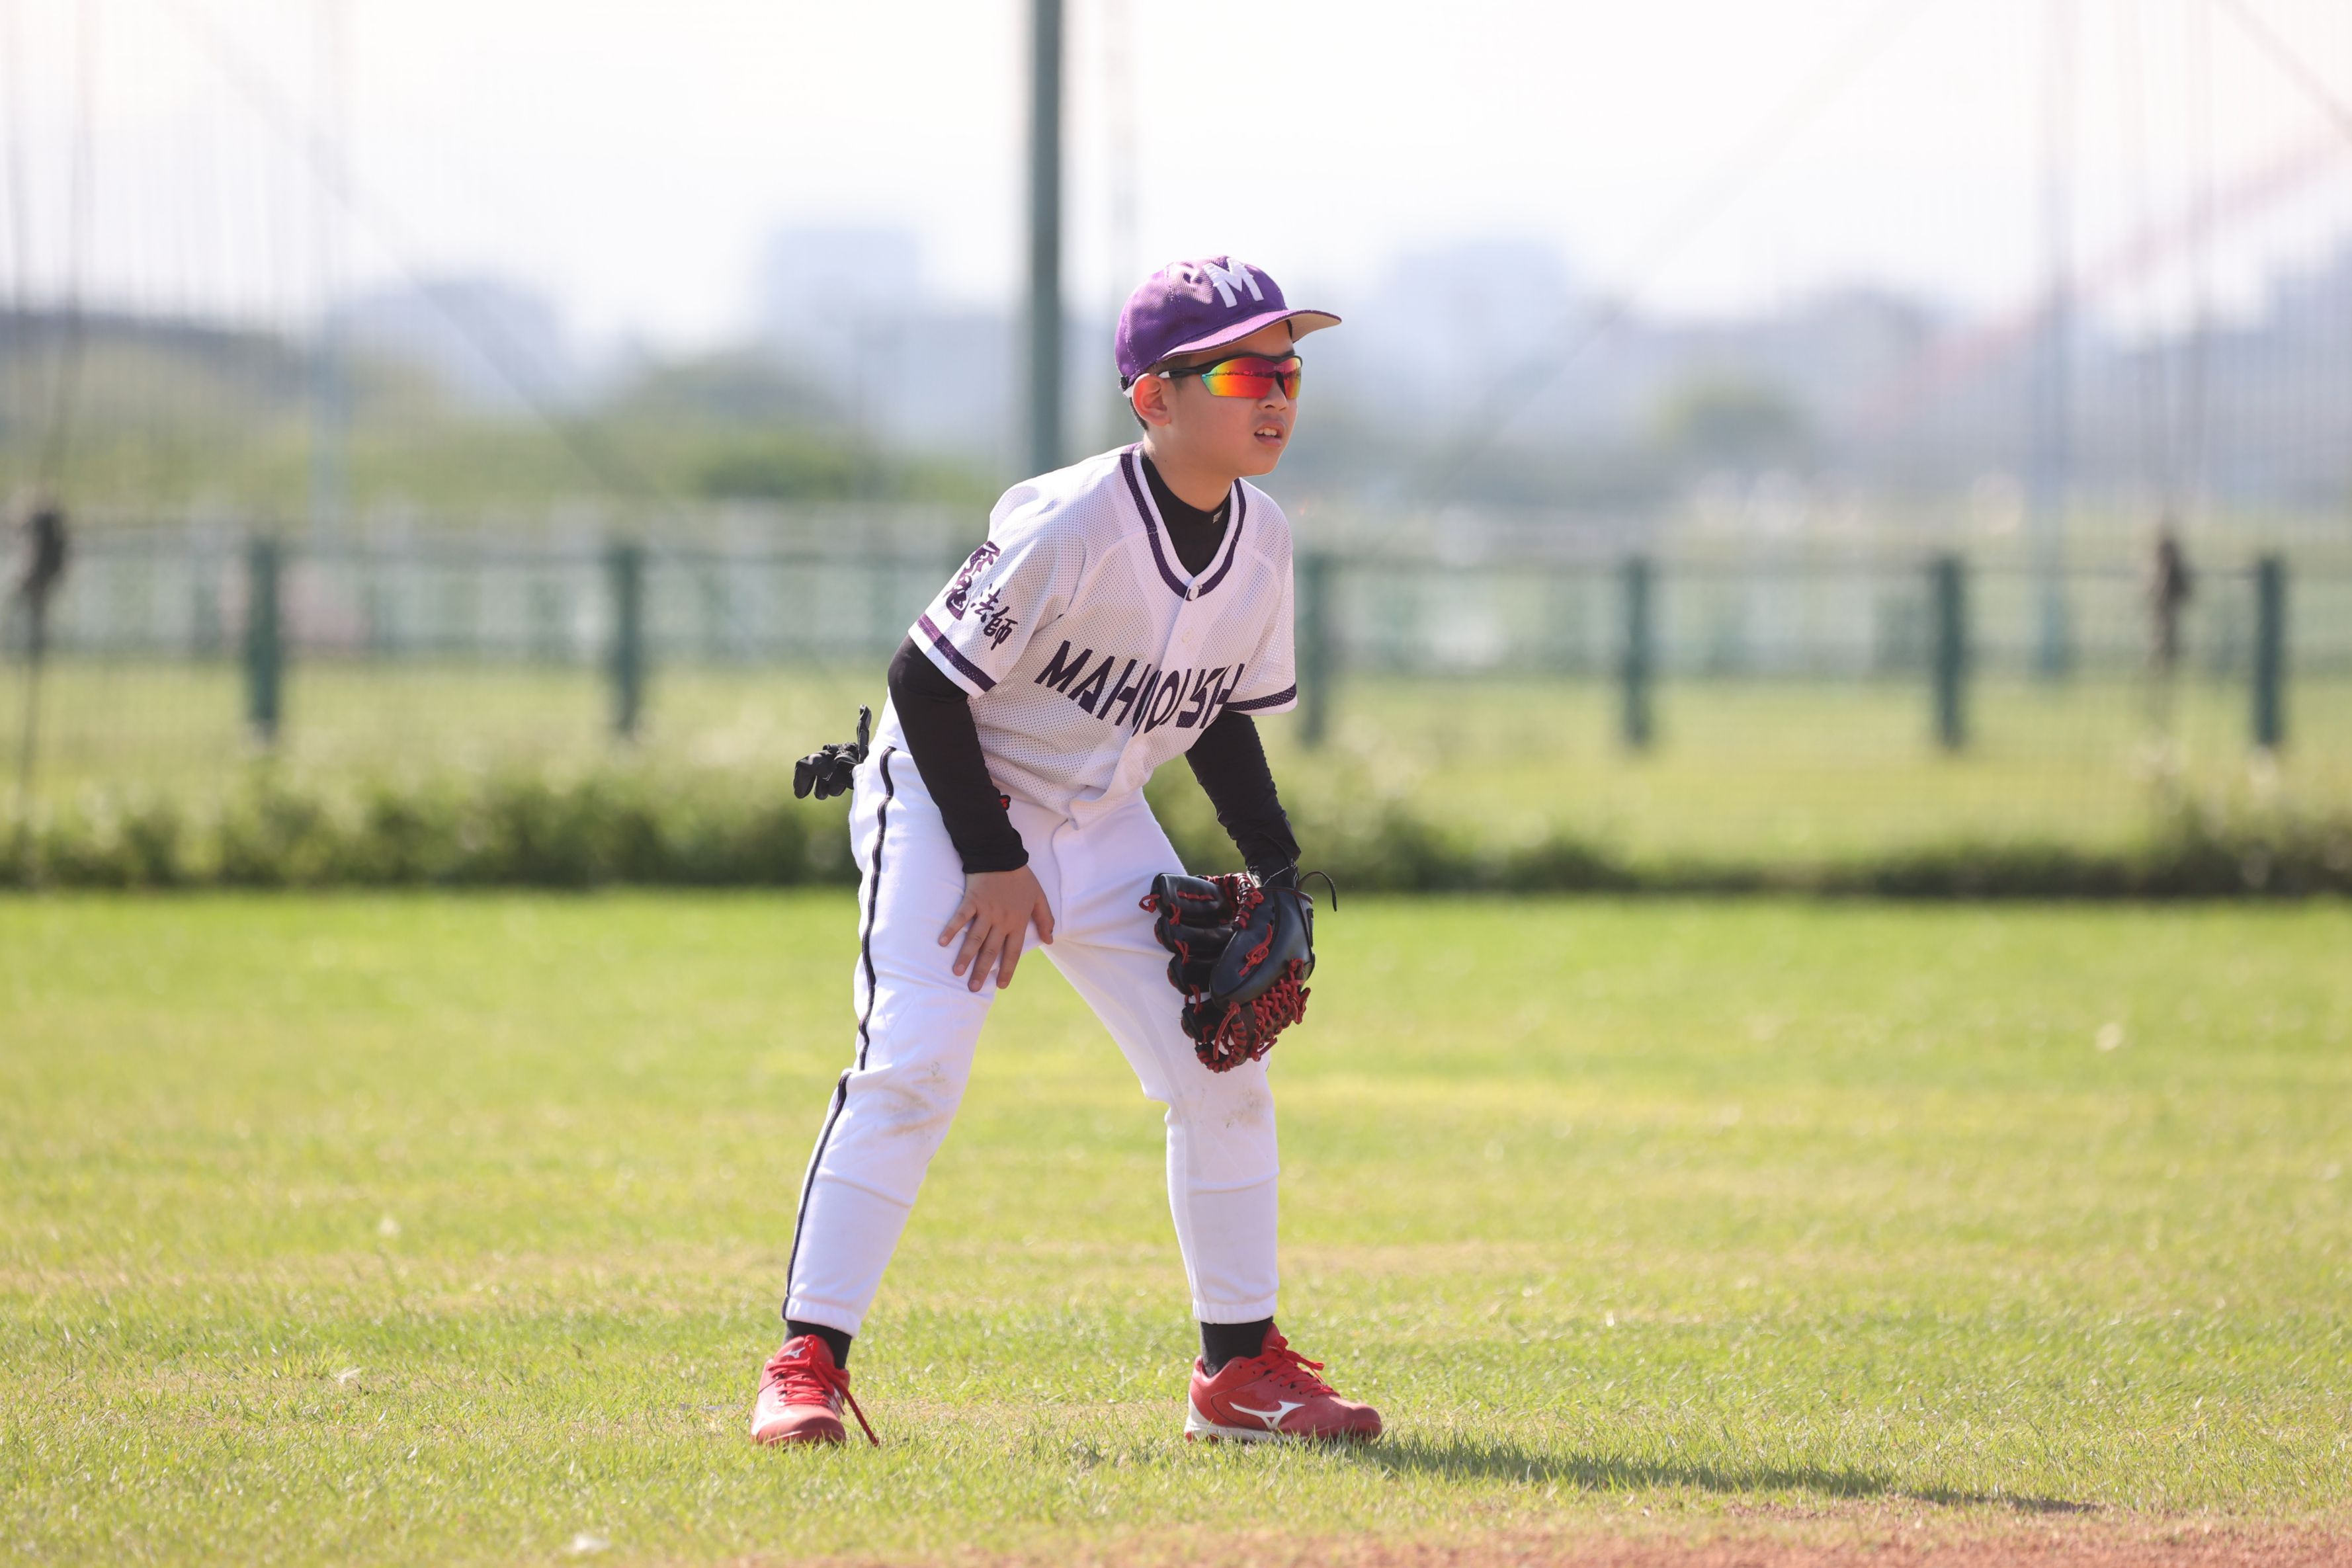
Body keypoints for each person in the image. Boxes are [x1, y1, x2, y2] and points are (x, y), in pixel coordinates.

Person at [751, 257, 1382, 1448]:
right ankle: (806, 1365)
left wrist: (1279, 870)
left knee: (1222, 1072)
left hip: (1099, 819)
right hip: (950, 802)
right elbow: (922, 683)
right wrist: (994, 862)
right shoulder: (1074, 522)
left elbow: (1219, 714)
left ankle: (1238, 1375)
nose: (1275, 394)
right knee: (914, 1067)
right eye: (1242, 372)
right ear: (1154, 398)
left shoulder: (1261, 539)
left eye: (1288, 371)